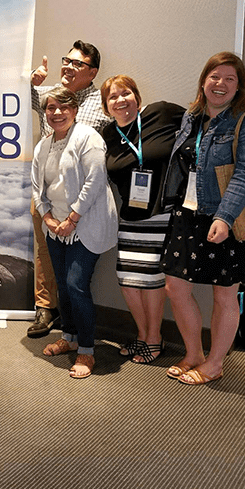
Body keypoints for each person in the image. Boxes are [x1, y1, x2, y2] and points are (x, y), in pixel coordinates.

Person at [160, 52, 245, 385]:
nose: (220, 84)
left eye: (229, 79)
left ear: (239, 86)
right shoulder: (192, 116)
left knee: (224, 293)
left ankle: (216, 362)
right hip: (188, 213)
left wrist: (225, 216)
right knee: (174, 287)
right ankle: (193, 353)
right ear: (204, 81)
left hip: (226, 217)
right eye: (214, 77)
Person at [31, 86, 117, 379]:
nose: (56, 113)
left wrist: (72, 218)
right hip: (55, 226)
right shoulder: (43, 145)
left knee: (76, 284)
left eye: (63, 107)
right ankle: (68, 338)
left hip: (86, 223)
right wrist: (48, 218)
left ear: (75, 110)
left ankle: (87, 350)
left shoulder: (88, 138)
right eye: (50, 108)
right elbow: (36, 187)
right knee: (64, 286)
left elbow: (94, 181)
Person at [27, 41, 112, 338]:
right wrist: (30, 81)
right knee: (46, 254)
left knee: (76, 274)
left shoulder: (102, 103)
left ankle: (79, 331)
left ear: (93, 72)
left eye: (77, 64)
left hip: (82, 201)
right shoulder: (45, 93)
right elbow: (12, 93)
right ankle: (46, 310)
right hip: (46, 193)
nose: (68, 67)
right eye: (67, 60)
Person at [101, 75, 185, 363]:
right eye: (113, 97)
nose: (120, 100)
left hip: (162, 214)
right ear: (106, 106)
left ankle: (152, 338)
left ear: (136, 96)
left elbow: (198, 122)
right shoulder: (107, 135)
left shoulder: (160, 113)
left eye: (125, 93)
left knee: (152, 279)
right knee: (128, 280)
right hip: (130, 216)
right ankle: (143, 334)